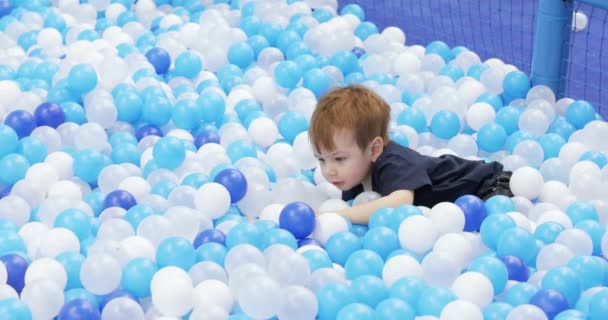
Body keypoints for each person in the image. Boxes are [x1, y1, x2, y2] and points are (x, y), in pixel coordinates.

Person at [308, 85, 513, 224]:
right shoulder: (351, 178)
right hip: (459, 210)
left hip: (493, 188)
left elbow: (400, 202)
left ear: (374, 149)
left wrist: (337, 216)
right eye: (321, 159)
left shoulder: (393, 162)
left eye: (339, 159)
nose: (329, 171)